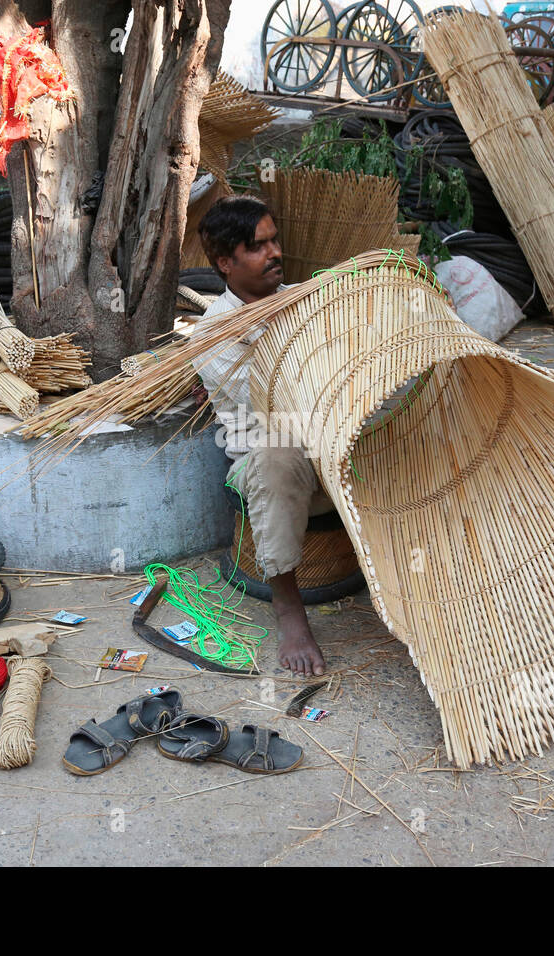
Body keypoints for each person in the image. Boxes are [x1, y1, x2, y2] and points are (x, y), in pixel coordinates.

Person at [192, 195, 332, 677]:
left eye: (275, 241)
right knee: (275, 455)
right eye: (258, 246)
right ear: (226, 263)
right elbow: (275, 410)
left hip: (334, 440)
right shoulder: (213, 334)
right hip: (273, 459)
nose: (274, 253)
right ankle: (289, 607)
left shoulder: (304, 299)